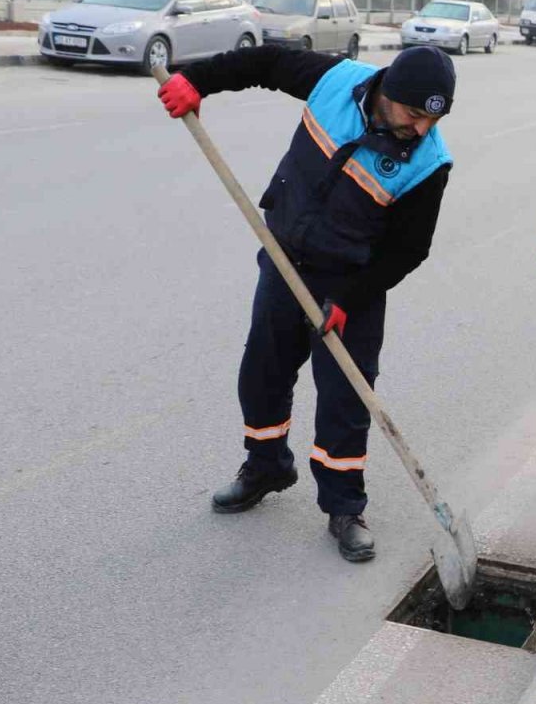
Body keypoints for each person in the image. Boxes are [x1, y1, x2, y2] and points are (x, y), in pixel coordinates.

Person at [156, 45, 455, 560]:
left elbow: (409, 250)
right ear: (387, 94)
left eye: (433, 118)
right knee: (262, 372)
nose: (422, 128)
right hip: (285, 254)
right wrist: (196, 80)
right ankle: (267, 465)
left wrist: (349, 299)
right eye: (414, 114)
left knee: (345, 396)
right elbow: (266, 63)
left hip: (350, 282)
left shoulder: (428, 163)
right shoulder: (336, 81)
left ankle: (344, 506)